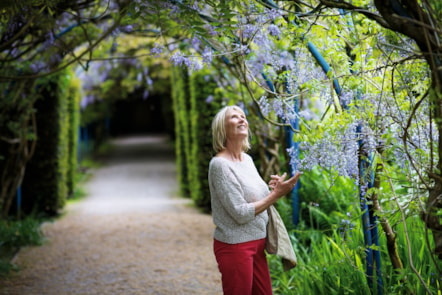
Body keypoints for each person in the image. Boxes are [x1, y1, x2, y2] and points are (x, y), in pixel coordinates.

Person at [208, 105, 301, 295]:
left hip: (258, 243)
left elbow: (253, 197)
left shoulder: (247, 160)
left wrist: (272, 189)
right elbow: (240, 213)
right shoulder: (220, 165)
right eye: (235, 117)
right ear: (222, 128)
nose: (242, 119)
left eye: (243, 116)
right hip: (236, 246)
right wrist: (276, 195)